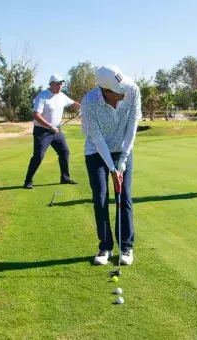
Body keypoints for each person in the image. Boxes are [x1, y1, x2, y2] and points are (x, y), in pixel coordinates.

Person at [81, 65, 141, 266]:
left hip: (123, 148)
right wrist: (112, 169)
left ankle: (126, 246)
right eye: (118, 92)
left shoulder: (131, 89)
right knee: (100, 197)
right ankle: (105, 246)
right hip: (97, 152)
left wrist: (123, 160)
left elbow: (133, 126)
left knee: (124, 195)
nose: (124, 94)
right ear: (105, 91)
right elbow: (97, 139)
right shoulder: (89, 103)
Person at [23, 74, 81, 189]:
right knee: (38, 156)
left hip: (56, 131)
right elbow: (36, 115)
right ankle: (28, 181)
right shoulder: (42, 96)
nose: (60, 86)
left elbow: (74, 104)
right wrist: (50, 126)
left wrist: (80, 108)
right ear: (51, 84)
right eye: (58, 84)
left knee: (65, 152)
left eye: (61, 84)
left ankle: (65, 178)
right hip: (42, 131)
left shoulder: (62, 96)